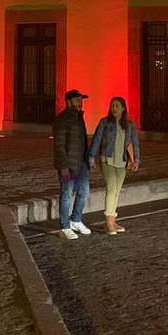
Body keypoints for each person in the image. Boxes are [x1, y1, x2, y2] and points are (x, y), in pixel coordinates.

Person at [87, 97, 141, 235]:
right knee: (111, 189)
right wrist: (92, 156)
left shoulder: (129, 125)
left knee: (117, 191)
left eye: (117, 106)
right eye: (112, 106)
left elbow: (134, 143)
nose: (114, 108)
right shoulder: (104, 123)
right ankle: (109, 222)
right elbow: (97, 139)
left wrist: (136, 160)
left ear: (123, 108)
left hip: (122, 161)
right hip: (107, 159)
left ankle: (112, 219)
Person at [53, 89, 91, 240]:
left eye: (81, 99)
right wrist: (63, 165)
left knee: (84, 192)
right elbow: (59, 144)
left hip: (81, 163)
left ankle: (76, 219)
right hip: (68, 164)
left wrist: (88, 159)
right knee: (66, 195)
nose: (80, 102)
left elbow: (82, 141)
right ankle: (64, 226)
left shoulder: (79, 118)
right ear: (68, 102)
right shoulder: (62, 119)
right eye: (77, 100)